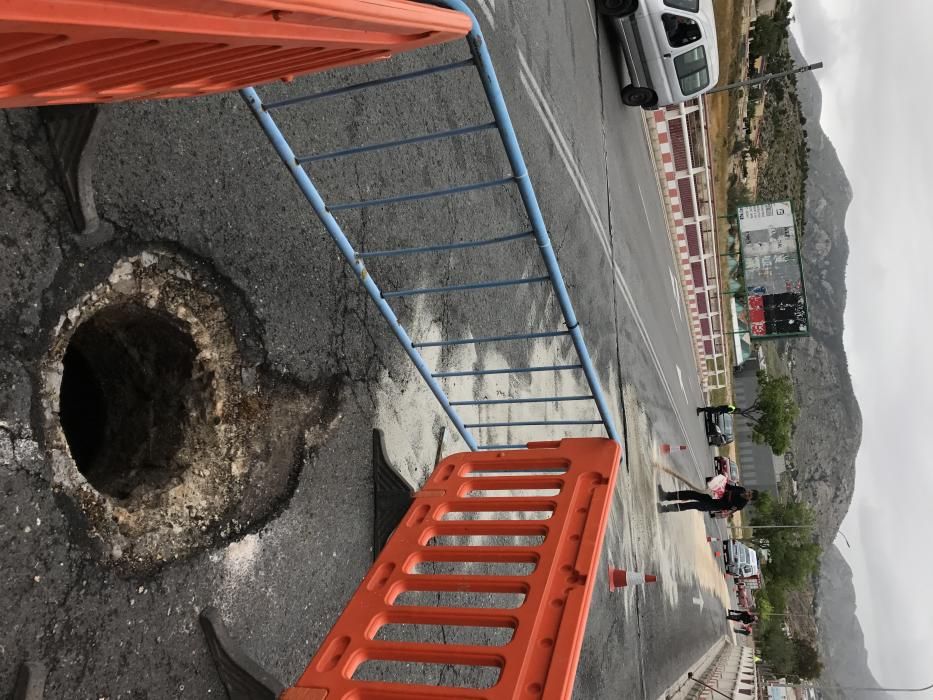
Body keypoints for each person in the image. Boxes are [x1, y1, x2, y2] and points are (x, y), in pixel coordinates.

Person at [658, 483, 758, 514]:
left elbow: (725, 506)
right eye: (749, 492)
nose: (747, 493)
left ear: (749, 499)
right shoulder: (741, 489)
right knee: (691, 493)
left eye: (749, 495)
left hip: (713, 504)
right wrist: (716, 482)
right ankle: (666, 496)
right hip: (711, 495)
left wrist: (722, 495)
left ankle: (666, 509)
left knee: (692, 505)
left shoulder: (740, 505)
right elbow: (728, 487)